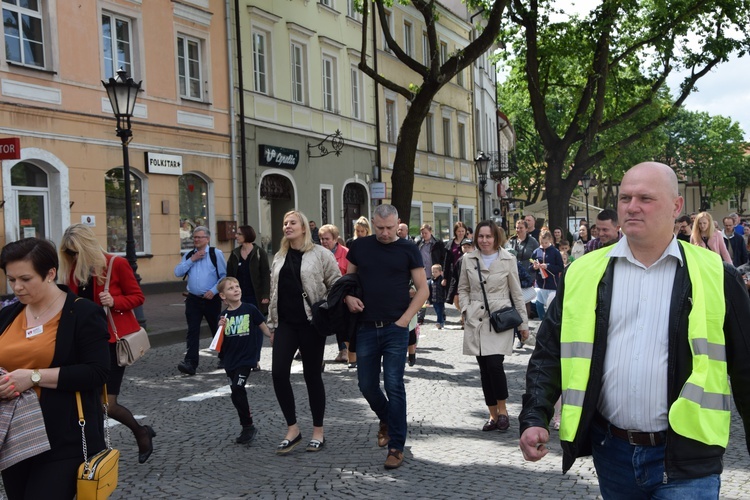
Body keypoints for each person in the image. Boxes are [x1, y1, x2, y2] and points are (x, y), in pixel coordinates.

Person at [519, 162, 750, 498]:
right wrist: (535, 416)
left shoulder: (717, 276)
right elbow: (550, 352)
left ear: (676, 206)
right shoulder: (584, 273)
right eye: (625, 197)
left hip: (689, 456)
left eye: (645, 198)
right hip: (612, 453)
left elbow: (746, 369)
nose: (632, 206)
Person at [0, 238, 110, 498]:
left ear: (50, 273)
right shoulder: (7, 315)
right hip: (14, 437)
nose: (17, 287)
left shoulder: (82, 313)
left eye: (26, 279)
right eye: (11, 279)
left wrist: (34, 377)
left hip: (63, 440)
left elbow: (97, 372)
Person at [58, 224, 155, 464]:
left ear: (87, 246)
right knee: (88, 402)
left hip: (112, 343)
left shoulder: (115, 264)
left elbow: (138, 297)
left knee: (107, 405)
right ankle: (94, 452)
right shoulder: (72, 269)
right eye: (69, 253)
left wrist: (114, 300)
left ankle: (141, 432)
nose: (73, 257)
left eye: (76, 251)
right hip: (83, 343)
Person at [344, 204, 429, 470]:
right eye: (380, 228)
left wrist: (405, 321)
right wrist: (348, 297)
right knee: (366, 385)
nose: (384, 233)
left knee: (394, 384)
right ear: (373, 223)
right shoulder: (359, 247)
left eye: (390, 228)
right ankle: (387, 419)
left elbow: (423, 289)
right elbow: (347, 281)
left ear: (397, 223)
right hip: (367, 326)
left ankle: (396, 446)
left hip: (396, 328)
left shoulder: (408, 248)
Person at [268, 211, 340, 455]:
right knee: (278, 373)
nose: (287, 226)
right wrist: (273, 324)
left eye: (292, 223)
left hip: (311, 325)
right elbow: (275, 292)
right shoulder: (279, 256)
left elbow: (337, 284)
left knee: (312, 376)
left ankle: (318, 431)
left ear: (303, 228)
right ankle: (293, 429)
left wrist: (325, 309)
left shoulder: (320, 253)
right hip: (286, 325)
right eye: (285, 223)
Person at [458, 221, 529, 433]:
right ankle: (492, 414)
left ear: (496, 237)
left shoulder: (508, 259)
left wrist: (523, 324)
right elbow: (463, 288)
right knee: (484, 369)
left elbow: (517, 293)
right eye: (481, 236)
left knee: (495, 365)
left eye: (488, 236)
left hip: (500, 320)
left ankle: (503, 410)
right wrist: (465, 310)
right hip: (476, 319)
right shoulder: (468, 259)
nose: (484, 240)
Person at [216, 277, 272, 445]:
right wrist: (220, 327)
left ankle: (248, 426)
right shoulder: (223, 316)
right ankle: (246, 425)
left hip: (247, 359)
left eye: (237, 286)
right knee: (236, 392)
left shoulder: (250, 309)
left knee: (237, 386)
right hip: (230, 360)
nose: (236, 289)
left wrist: (274, 336)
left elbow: (264, 328)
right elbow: (219, 341)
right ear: (223, 296)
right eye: (231, 288)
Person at [174, 226, 227, 375]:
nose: (196, 240)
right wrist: (192, 259)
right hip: (193, 299)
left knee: (216, 328)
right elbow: (178, 272)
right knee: (192, 331)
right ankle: (191, 363)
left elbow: (223, 276)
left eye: (199, 237)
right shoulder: (189, 255)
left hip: (211, 299)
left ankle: (224, 356)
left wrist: (214, 290)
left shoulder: (215, 254)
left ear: (207, 239)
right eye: (195, 237)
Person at [226, 225, 270, 371]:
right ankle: (241, 358)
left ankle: (254, 360)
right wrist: (228, 294)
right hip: (239, 298)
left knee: (256, 329)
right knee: (240, 329)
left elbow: (265, 275)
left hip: (256, 298)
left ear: (247, 235)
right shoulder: (234, 254)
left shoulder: (259, 253)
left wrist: (265, 295)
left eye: (239, 234)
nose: (236, 236)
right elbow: (229, 277)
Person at [318, 224, 351, 363]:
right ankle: (316, 355)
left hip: (341, 296)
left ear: (335, 238)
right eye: (321, 239)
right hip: (322, 296)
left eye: (327, 238)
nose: (324, 241)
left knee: (342, 325)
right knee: (319, 324)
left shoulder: (346, 253)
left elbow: (350, 274)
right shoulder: (317, 252)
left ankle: (344, 351)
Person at [530, 230, 564, 321]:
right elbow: (530, 267)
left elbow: (560, 267)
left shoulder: (555, 252)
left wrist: (548, 266)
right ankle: (542, 321)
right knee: (538, 304)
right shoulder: (536, 252)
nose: (544, 244)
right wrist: (534, 267)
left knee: (550, 306)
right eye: (542, 242)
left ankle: (551, 322)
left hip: (552, 285)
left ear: (550, 240)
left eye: (546, 242)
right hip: (540, 284)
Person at [442, 222, 468, 308]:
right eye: (459, 231)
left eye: (462, 231)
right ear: (455, 232)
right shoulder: (451, 244)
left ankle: (465, 317)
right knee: (455, 297)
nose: (461, 233)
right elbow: (446, 262)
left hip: (467, 272)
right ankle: (462, 313)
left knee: (465, 295)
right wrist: (444, 278)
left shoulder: (469, 242)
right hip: (454, 273)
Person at [428, 264, 447, 329]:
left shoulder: (442, 280)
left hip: (440, 299)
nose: (434, 273)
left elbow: (445, 289)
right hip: (434, 299)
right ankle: (443, 318)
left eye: (436, 272)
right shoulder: (431, 281)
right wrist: (429, 300)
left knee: (439, 311)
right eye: (433, 272)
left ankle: (439, 323)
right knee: (437, 310)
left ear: (440, 272)